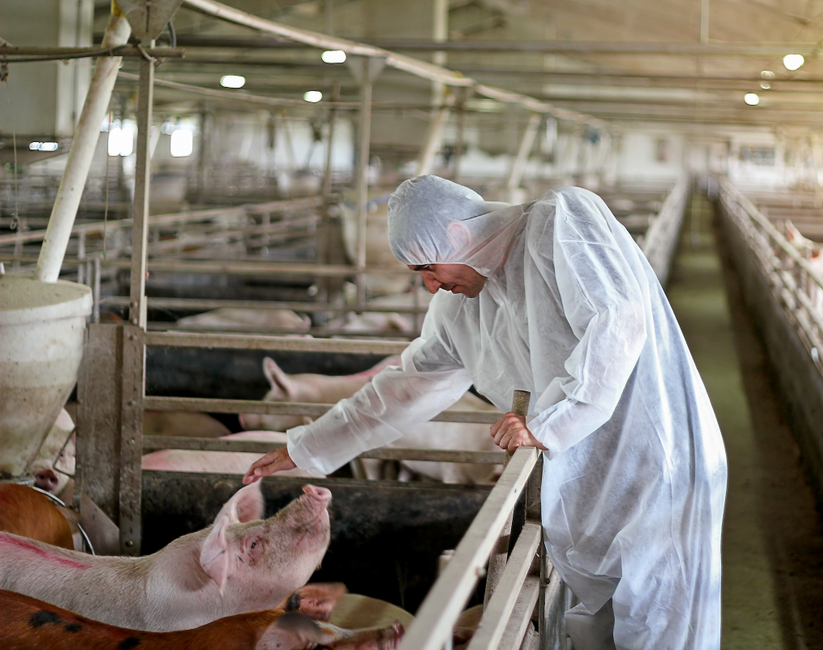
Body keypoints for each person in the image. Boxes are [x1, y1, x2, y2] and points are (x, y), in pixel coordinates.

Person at [243, 175, 727, 650]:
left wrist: (548, 423)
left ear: (458, 235)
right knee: (600, 626)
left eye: (429, 268)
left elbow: (616, 321)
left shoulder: (559, 223)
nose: (432, 286)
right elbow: (405, 387)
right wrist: (303, 446)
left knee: (662, 621)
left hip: (657, 465)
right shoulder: (463, 307)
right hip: (582, 489)